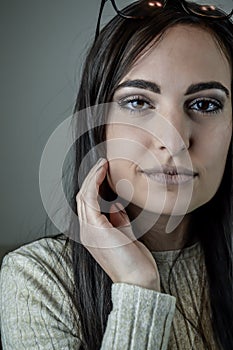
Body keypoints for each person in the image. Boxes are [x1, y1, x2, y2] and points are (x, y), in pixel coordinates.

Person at [0, 0, 233, 349]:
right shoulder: (37, 280)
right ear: (98, 125)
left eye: (205, 104)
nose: (173, 141)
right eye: (139, 102)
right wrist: (137, 286)